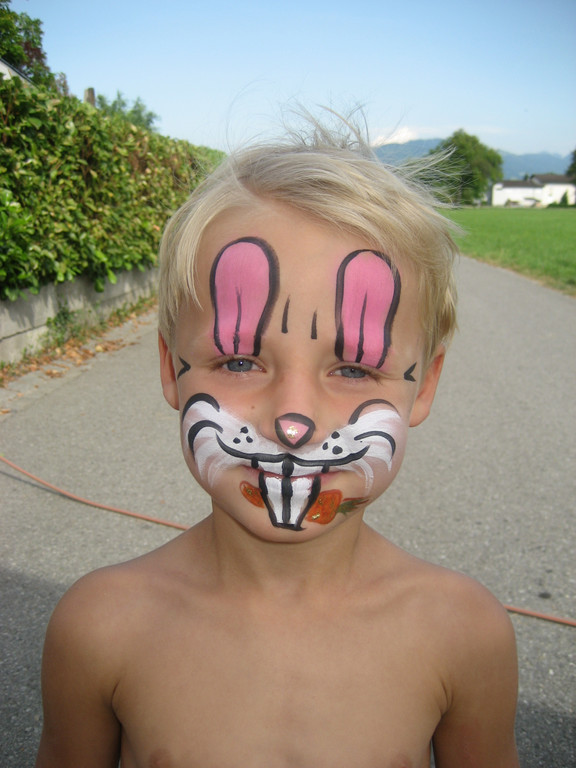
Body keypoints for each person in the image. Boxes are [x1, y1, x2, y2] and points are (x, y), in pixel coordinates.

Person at [36, 114, 519, 767]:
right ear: (170, 368)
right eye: (240, 361)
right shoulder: (99, 629)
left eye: (354, 369)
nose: (294, 422)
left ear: (424, 385)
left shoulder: (464, 636)